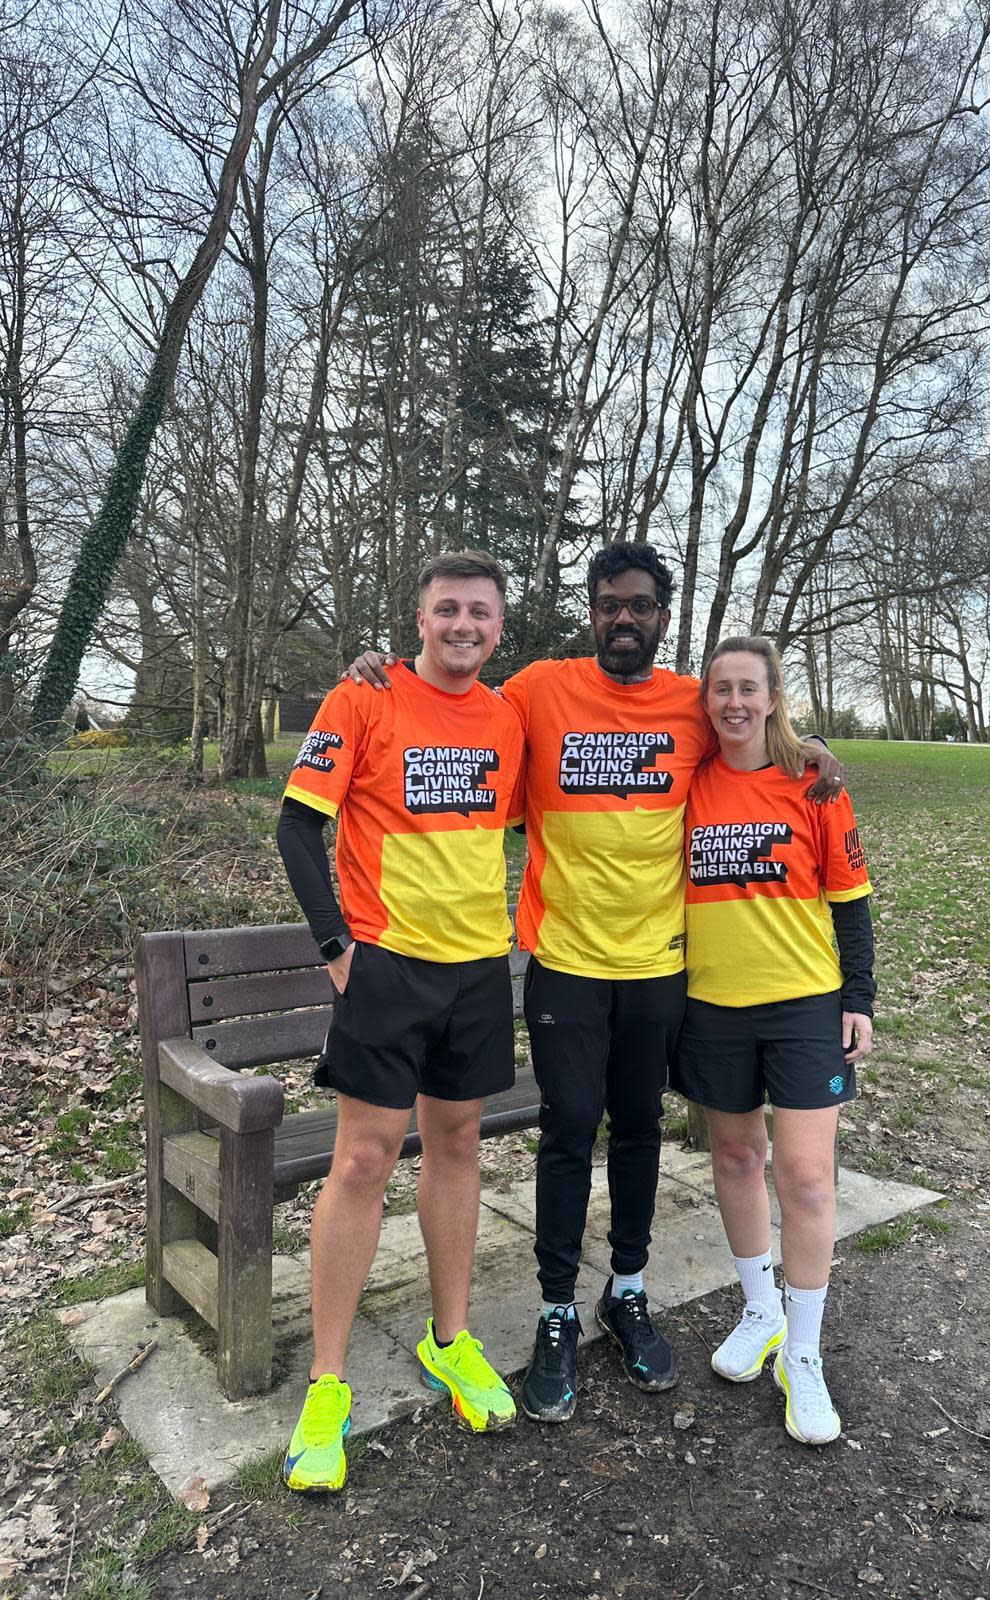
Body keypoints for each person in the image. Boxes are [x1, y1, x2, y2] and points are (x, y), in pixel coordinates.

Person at [346, 545, 845, 1424]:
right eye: (611, 604)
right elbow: (447, 701)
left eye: (642, 606)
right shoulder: (539, 689)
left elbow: (752, 734)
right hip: (566, 964)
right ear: (592, 611)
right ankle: (555, 1310)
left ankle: (627, 1287)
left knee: (641, 1132)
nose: (625, 618)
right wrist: (375, 675)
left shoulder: (691, 703)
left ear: (662, 614)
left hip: (659, 967)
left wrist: (814, 755)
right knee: (569, 1132)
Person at [276, 550, 525, 1493]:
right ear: (419, 620)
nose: (464, 625)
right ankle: (328, 1383)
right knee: (363, 1162)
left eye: (481, 614)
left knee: (457, 1147)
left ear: (499, 627)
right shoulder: (364, 698)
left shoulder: (507, 718)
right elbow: (298, 827)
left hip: (474, 973)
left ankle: (449, 1340)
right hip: (385, 969)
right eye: (447, 610)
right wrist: (338, 949)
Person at [673, 635, 874, 1445]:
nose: (733, 703)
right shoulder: (687, 783)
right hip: (712, 1004)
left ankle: (804, 1350)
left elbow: (852, 900)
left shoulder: (814, 784)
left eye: (748, 689)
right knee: (734, 1158)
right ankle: (758, 1311)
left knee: (808, 1180)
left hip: (803, 1006)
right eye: (720, 689)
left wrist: (858, 997)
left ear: (773, 696)